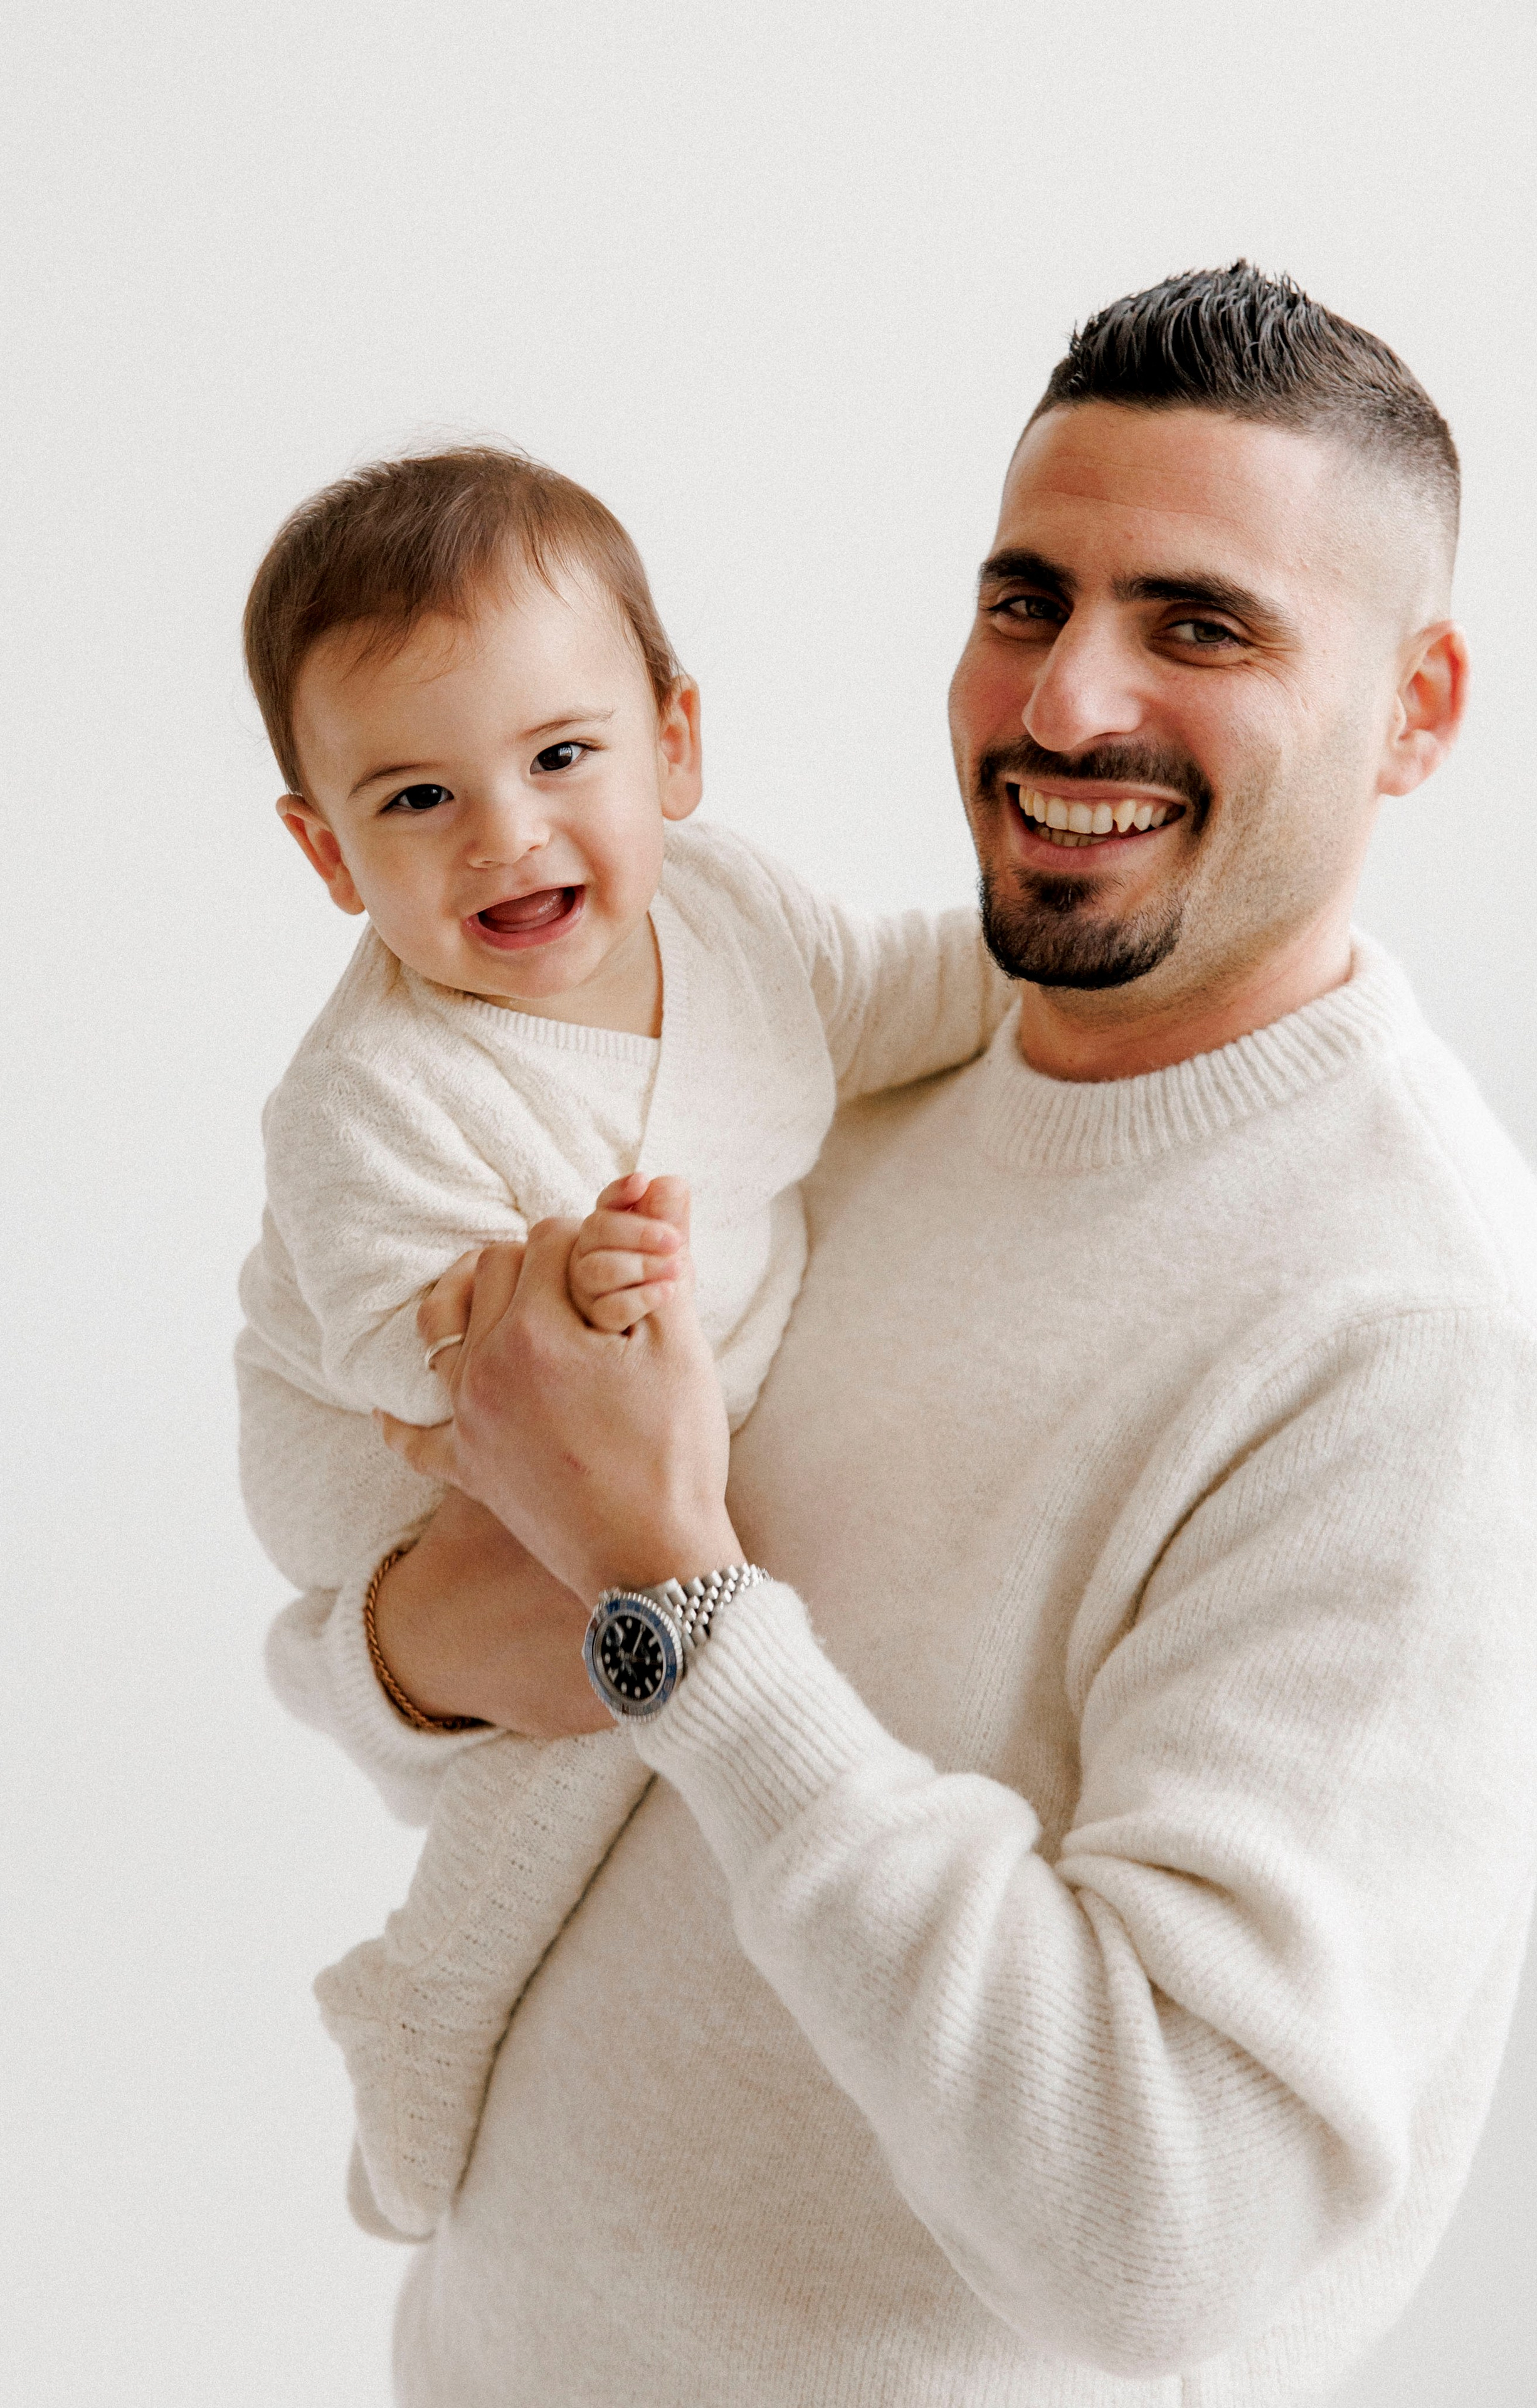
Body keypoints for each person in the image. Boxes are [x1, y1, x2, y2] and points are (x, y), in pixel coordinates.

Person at [263, 266, 1537, 2404]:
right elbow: (493, 1669)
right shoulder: (829, 1065)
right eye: (1027, 599)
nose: (1065, 703)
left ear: (1415, 710)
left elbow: (1161, 2225)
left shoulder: (1406, 1332)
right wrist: (396, 1649)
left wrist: (673, 1596)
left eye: (1201, 624)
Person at [236, 443, 1009, 2137]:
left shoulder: (728, 912)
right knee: (594, 1705)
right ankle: (428, 2003)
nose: (504, 834)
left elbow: (882, 998)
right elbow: (408, 1363)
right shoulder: (375, 1093)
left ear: (674, 743)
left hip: (621, 1404)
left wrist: (1038, 960)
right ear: (325, 849)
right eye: (416, 799)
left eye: (560, 754)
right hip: (398, 1454)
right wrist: (563, 1299)